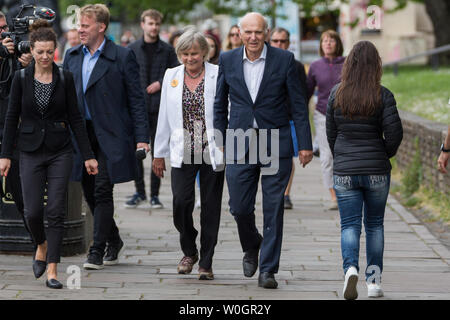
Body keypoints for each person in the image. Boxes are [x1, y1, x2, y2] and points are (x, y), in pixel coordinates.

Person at [214, 12, 313, 289]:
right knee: (238, 206)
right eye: (248, 32)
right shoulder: (228, 59)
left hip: (275, 140)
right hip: (239, 139)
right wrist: (220, 137)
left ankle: (268, 269)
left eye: (258, 32)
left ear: (266, 33)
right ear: (240, 33)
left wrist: (304, 144)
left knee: (274, 208)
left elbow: (298, 105)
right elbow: (220, 102)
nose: (253, 37)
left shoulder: (285, 60)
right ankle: (252, 243)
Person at [0, 20, 98, 289]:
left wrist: (88, 155)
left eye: (49, 52)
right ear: (31, 50)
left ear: (56, 50)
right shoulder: (21, 78)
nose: (44, 57)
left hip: (59, 151)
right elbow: (11, 117)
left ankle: (53, 270)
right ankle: (41, 245)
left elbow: (76, 119)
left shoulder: (64, 77)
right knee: (32, 211)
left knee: (55, 210)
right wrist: (5, 154)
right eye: (39, 51)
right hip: (29, 150)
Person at [63, 4, 149, 270]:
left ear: (101, 27)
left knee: (102, 190)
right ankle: (114, 238)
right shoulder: (72, 56)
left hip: (111, 134)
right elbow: (64, 97)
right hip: (82, 135)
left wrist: (142, 138)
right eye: (78, 25)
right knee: (89, 192)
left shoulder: (122, 57)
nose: (80, 30)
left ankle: (96, 250)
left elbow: (137, 99)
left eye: (85, 26)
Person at [326, 41, 403, 300]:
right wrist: (383, 153)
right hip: (376, 171)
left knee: (349, 225)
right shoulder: (384, 95)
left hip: (345, 169)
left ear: (349, 65)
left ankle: (349, 269)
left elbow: (331, 134)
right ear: (376, 66)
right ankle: (373, 282)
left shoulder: (337, 94)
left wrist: (342, 158)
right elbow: (394, 135)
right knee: (374, 225)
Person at [153, 28, 225, 280]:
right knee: (180, 202)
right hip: (183, 147)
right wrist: (158, 153)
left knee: (210, 207)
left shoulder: (218, 74)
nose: (190, 58)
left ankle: (206, 261)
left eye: (194, 53)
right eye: (184, 53)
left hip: (212, 148)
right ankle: (189, 249)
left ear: (204, 53)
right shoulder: (171, 75)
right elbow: (164, 115)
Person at [127, 9, 179, 209]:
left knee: (158, 152)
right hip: (137, 108)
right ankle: (139, 192)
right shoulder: (131, 49)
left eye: (157, 24)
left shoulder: (167, 50)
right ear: (143, 25)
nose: (154, 27)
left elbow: (175, 74)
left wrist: (160, 82)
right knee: (138, 152)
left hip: (159, 108)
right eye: (150, 23)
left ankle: (155, 195)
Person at [0, 10, 34, 238]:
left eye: (5, 28)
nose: (4, 34)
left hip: (11, 133)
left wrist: (28, 66)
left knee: (21, 192)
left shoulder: (13, 58)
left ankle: (37, 241)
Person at [269, 27, 307, 210]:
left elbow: (302, 95)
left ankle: (285, 193)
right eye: (275, 41)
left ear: (289, 43)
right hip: (268, 119)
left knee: (286, 157)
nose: (279, 44)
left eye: (282, 41)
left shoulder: (296, 65)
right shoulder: (265, 63)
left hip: (289, 118)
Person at [307, 30, 345, 210]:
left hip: (346, 116)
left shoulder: (347, 64)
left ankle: (346, 190)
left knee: (343, 155)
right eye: (324, 41)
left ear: (338, 43)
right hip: (322, 114)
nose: (328, 44)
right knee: (327, 156)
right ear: (321, 45)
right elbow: (307, 92)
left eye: (331, 41)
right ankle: (334, 196)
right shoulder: (315, 66)